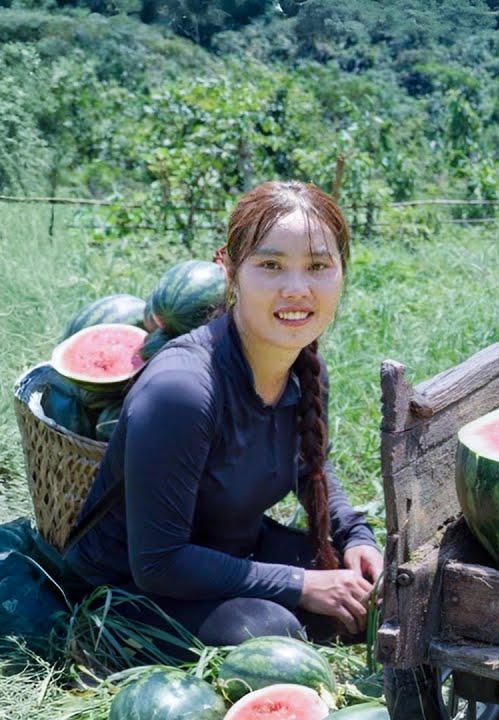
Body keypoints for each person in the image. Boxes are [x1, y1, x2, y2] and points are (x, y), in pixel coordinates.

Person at [63, 181, 384, 650]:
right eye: (270, 265)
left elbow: (309, 463)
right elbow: (158, 562)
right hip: (132, 589)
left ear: (341, 273)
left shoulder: (305, 366)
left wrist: (355, 536)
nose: (297, 289)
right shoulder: (183, 390)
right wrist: (302, 585)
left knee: (383, 591)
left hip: (229, 553)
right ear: (230, 271)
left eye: (318, 266)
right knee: (273, 633)